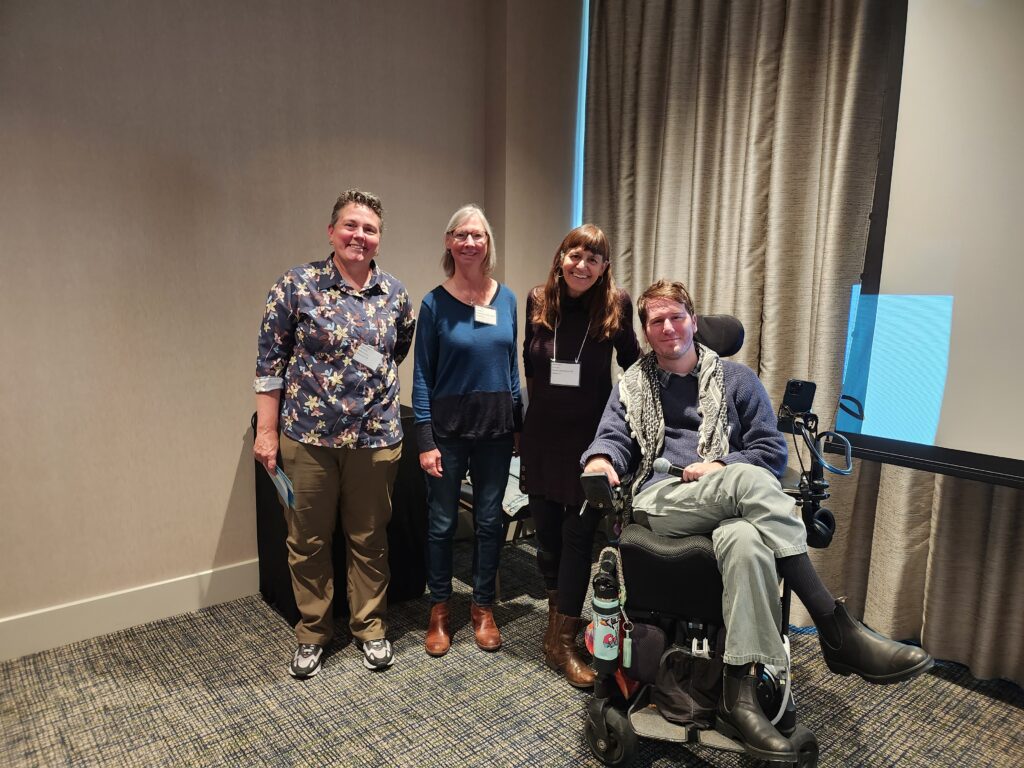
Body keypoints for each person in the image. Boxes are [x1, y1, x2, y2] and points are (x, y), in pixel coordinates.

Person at [582, 279, 933, 762]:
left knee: (747, 540)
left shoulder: (737, 380)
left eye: (676, 316)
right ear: (646, 331)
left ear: (693, 321)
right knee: (747, 481)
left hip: (727, 505)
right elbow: (612, 439)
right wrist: (601, 460)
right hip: (661, 499)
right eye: (656, 320)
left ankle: (739, 694)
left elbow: (769, 451)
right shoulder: (632, 386)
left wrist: (720, 465)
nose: (668, 327)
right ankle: (836, 628)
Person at [253, 189, 415, 678]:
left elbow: (395, 352)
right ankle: (312, 631)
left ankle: (370, 627)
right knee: (307, 541)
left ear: (379, 238)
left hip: (375, 439)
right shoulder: (296, 285)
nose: (359, 236)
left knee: (369, 539)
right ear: (331, 232)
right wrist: (266, 432)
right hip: (308, 440)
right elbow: (269, 365)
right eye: (350, 225)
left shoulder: (395, 294)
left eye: (370, 229)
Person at [521, 224, 640, 687]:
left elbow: (633, 365)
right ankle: (556, 630)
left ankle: (564, 641)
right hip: (542, 439)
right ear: (561, 257)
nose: (582, 265)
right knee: (548, 538)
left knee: (577, 538)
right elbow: (531, 365)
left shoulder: (615, 304)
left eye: (593, 259)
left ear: (604, 267)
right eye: (575, 255)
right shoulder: (537, 300)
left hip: (590, 446)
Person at [412, 204, 522, 657]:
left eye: (478, 235)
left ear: (487, 242)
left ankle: (482, 607)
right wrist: (425, 440)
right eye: (461, 234)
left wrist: (518, 425)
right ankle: (440, 609)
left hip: (496, 430)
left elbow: (511, 368)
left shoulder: (507, 299)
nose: (470, 242)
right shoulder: (433, 304)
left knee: (490, 522)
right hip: (448, 432)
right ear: (449, 242)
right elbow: (422, 375)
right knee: (441, 524)